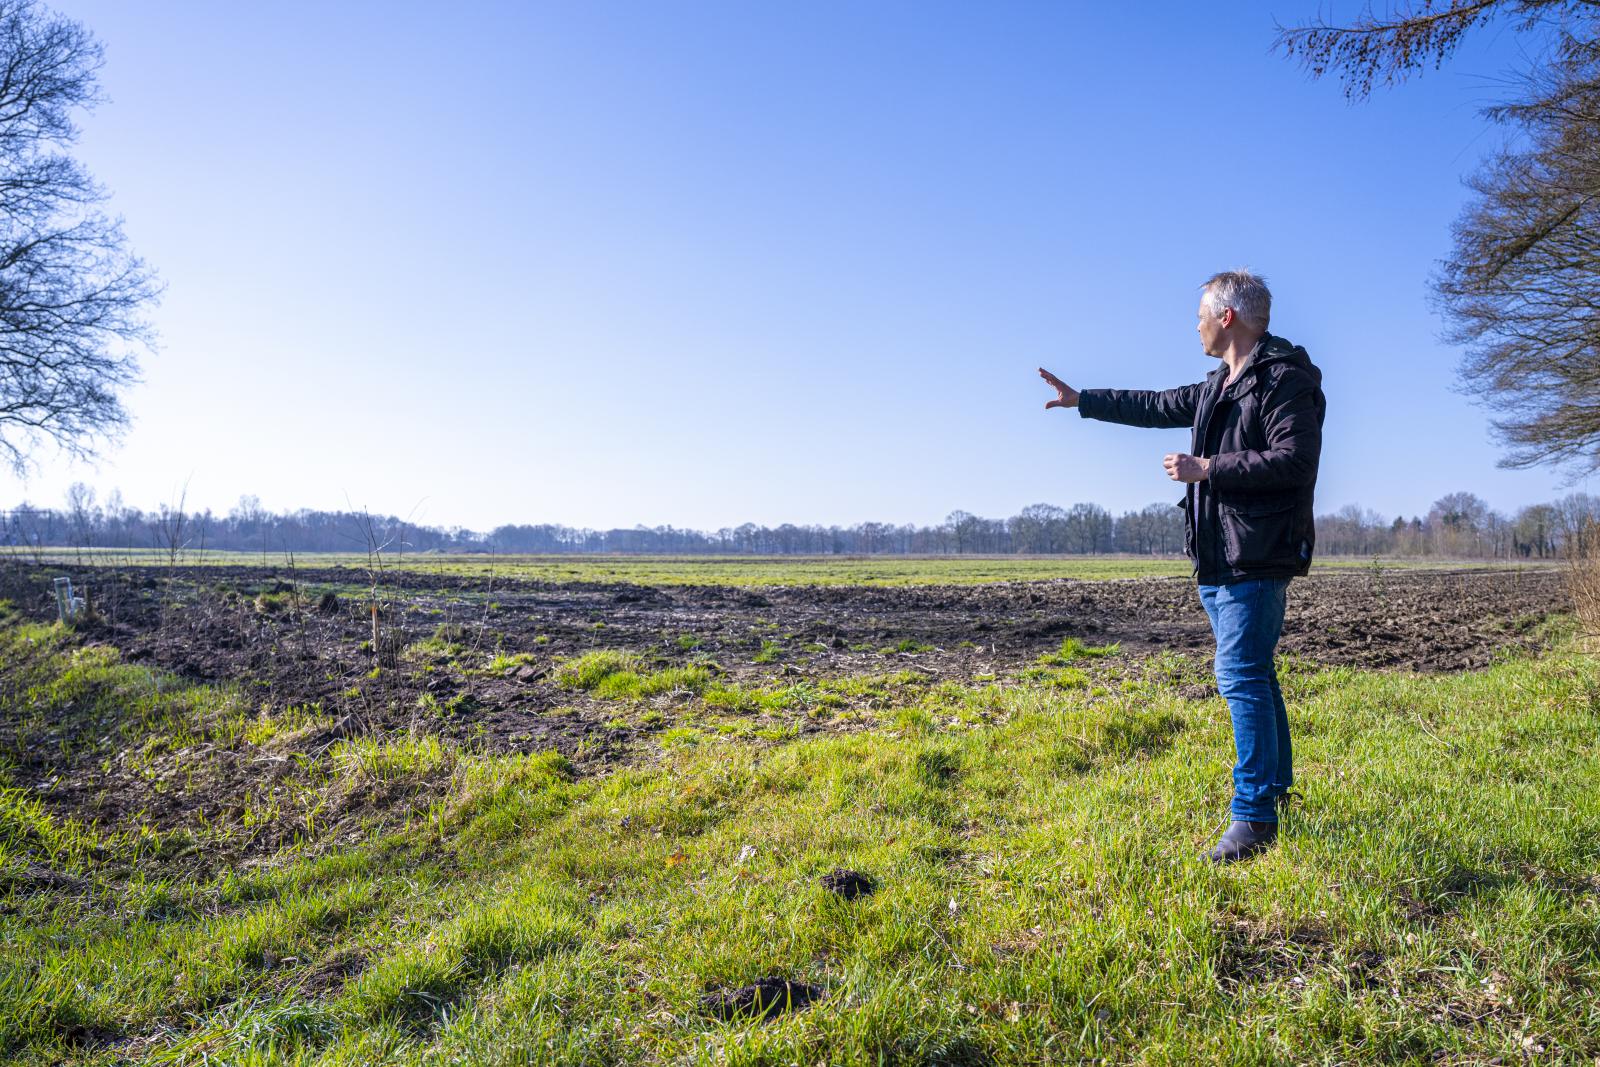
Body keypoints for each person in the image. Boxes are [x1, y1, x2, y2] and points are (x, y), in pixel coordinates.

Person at [1037, 270, 1325, 864]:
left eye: (1200, 313)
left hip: (1258, 553)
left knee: (1240, 677)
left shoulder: (1284, 379)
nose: (1194, 325)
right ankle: (1274, 793)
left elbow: (1295, 461)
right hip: (1218, 555)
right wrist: (1082, 401)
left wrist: (1208, 469)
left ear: (1227, 317)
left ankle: (1252, 818)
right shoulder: (1219, 384)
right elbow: (1155, 404)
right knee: (1255, 676)